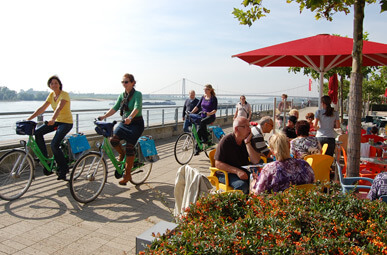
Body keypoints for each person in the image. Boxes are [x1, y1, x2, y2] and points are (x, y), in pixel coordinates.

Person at [98, 73, 144, 186]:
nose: (124, 84)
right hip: (125, 123)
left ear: (133, 83)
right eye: (123, 82)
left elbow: (137, 107)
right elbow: (115, 108)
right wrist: (104, 117)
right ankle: (121, 154)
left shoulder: (138, 94)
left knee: (129, 147)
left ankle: (127, 175)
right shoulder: (122, 95)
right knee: (113, 140)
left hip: (136, 123)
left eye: (126, 82)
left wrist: (130, 117)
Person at [27, 75, 73, 180]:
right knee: (37, 133)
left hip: (66, 123)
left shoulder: (64, 95)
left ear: (59, 84)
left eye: (56, 83)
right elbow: (42, 108)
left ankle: (63, 169)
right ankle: (45, 159)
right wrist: (29, 119)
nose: (54, 85)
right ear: (50, 85)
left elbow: (59, 108)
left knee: (54, 144)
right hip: (56, 121)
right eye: (52, 83)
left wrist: (52, 119)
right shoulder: (51, 95)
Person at [250, 132, 315, 194]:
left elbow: (258, 194)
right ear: (289, 145)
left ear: (272, 150)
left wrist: (253, 184)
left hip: (279, 204)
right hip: (302, 203)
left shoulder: (269, 169)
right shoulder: (304, 165)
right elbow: (313, 185)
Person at [214, 116, 261, 194]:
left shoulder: (248, 139)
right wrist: (237, 171)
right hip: (226, 173)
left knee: (260, 181)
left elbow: (255, 161)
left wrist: (247, 143)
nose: (249, 129)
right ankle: (240, 205)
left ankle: (252, 203)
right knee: (242, 186)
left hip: (243, 171)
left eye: (249, 126)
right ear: (236, 129)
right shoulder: (226, 141)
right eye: (245, 127)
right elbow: (218, 164)